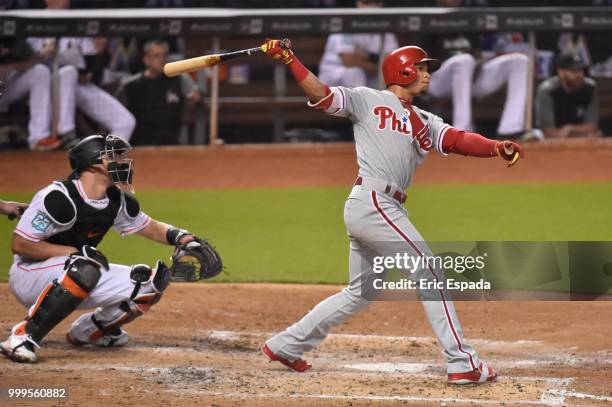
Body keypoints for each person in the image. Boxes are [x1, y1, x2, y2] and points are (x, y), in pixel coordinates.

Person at [260, 38, 524, 384]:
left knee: (361, 292)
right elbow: (320, 94)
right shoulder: (367, 98)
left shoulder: (424, 119)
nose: (428, 74)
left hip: (373, 207)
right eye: (423, 67)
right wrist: (291, 60)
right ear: (404, 69)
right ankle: (463, 362)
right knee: (430, 274)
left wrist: (494, 147)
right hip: (373, 202)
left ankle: (286, 344)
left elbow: (458, 140)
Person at [1, 135, 213, 363]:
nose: (123, 161)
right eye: (114, 156)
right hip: (30, 274)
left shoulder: (115, 201)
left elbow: (150, 227)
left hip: (74, 271)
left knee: (149, 282)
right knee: (84, 267)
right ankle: (23, 336)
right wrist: (74, 253)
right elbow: (21, 245)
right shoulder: (57, 198)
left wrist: (183, 238)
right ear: (92, 163)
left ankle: (91, 331)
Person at [425, 0, 533, 139]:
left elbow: (480, 49)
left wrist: (479, 62)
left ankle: (511, 128)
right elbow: (421, 59)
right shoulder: (428, 13)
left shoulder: (471, 10)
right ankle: (462, 131)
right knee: (464, 60)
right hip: (438, 80)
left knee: (519, 61)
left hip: (470, 75)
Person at [116, 39, 200, 145]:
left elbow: (194, 96)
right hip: (139, 145)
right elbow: (115, 112)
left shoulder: (179, 78)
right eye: (157, 55)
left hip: (170, 143)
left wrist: (191, 100)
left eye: (164, 55)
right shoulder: (131, 84)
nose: (162, 59)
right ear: (146, 59)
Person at [318, 0, 398, 88]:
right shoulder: (346, 22)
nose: (372, 6)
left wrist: (362, 56)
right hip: (335, 74)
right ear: (358, 3)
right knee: (355, 73)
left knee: (385, 77)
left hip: (369, 74)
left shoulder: (386, 29)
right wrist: (374, 60)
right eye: (367, 3)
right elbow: (348, 59)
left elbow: (392, 60)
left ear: (381, 4)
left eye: (376, 2)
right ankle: (358, 102)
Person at [0, 38, 61, 151]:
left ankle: (39, 138)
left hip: (3, 88)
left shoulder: (13, 34)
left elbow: (32, 59)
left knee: (40, 72)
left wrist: (10, 67)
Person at [535, 53, 602, 138]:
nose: (579, 75)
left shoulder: (590, 88)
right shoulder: (548, 91)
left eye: (581, 70)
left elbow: (592, 126)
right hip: (553, 144)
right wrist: (584, 135)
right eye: (574, 71)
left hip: (580, 143)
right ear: (561, 72)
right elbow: (548, 132)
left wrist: (570, 128)